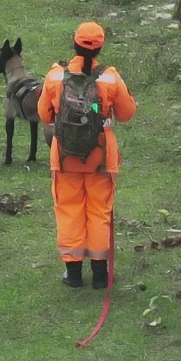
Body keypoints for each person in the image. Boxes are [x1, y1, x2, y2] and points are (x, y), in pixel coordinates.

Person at [37, 21, 137, 289]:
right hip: (101, 157)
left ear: (74, 43)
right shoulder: (110, 77)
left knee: (69, 209)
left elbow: (44, 115)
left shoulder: (55, 75)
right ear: (101, 48)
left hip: (66, 156)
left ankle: (73, 274)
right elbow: (127, 114)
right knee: (99, 211)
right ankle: (100, 274)